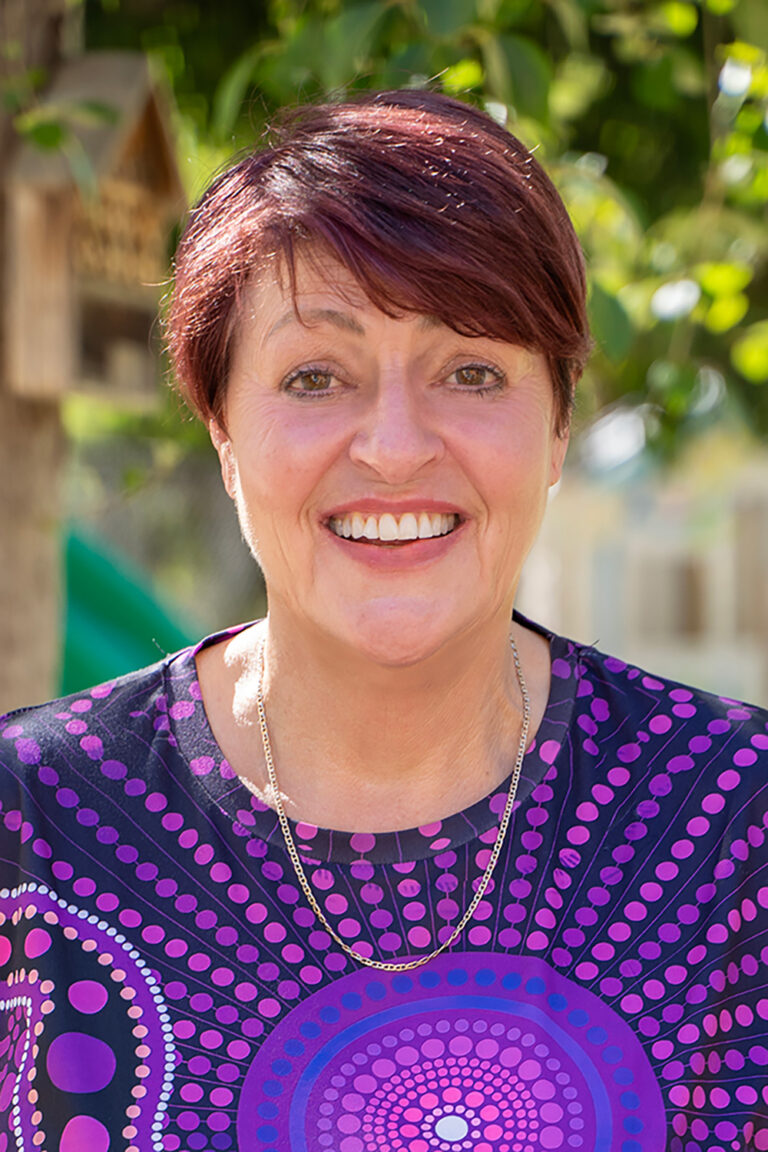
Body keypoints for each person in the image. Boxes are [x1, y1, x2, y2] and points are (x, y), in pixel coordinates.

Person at [1, 89, 766, 1152]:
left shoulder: (732, 826)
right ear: (223, 429)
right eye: (316, 377)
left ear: (556, 425)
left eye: (471, 371)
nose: (396, 446)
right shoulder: (34, 817)